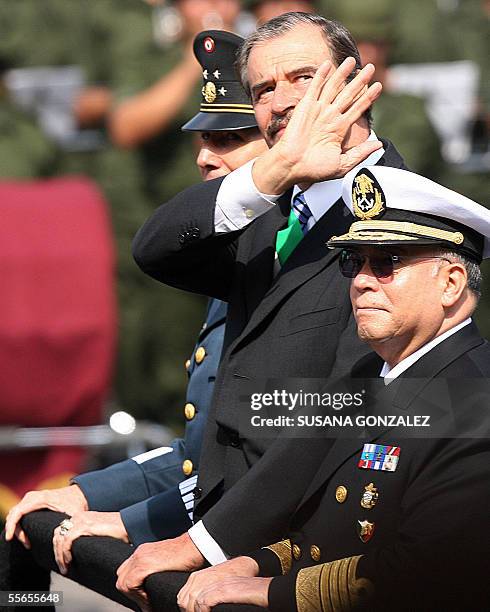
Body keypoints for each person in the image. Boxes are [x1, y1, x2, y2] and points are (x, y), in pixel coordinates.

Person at [118, 11, 406, 609]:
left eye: (301, 77)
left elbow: (346, 416)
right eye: (263, 91)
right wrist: (272, 169)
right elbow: (155, 248)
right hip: (234, 545)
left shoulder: (401, 220)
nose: (281, 101)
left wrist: (206, 543)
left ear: (353, 80)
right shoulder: (275, 207)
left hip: (311, 558)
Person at [1, 29, 267, 611]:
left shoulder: (320, 268)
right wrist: (86, 494)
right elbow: (206, 454)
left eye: (231, 139)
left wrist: (141, 520)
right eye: (204, 138)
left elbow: (288, 456)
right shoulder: (246, 259)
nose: (203, 156)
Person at [176, 165, 490, 611]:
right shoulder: (371, 377)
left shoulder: (475, 397)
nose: (361, 280)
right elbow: (327, 531)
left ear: (451, 284)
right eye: (353, 261)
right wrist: (256, 563)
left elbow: (434, 566)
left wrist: (271, 591)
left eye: (386, 263)